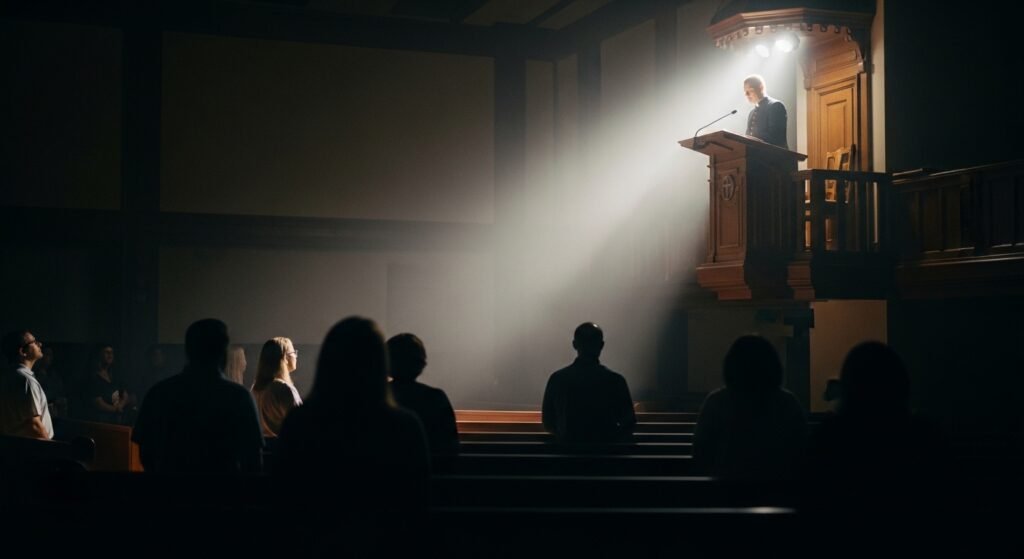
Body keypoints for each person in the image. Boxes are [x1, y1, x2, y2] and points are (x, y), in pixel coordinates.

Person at [274, 317, 429, 556]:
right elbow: (416, 499)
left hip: (312, 542)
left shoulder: (301, 422)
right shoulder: (404, 425)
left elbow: (284, 495)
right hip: (386, 543)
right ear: (379, 363)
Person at [131, 319, 263, 473]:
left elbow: (146, 452)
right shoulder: (239, 397)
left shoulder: (159, 393)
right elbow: (253, 460)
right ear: (223, 352)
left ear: (187, 351)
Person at [692, 335, 806, 479]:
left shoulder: (716, 402)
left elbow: (701, 455)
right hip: (778, 493)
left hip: (725, 492)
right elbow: (801, 454)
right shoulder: (787, 403)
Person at [541, 322, 636, 444]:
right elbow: (628, 422)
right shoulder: (615, 380)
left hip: (567, 452)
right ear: (601, 345)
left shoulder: (558, 379)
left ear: (575, 345)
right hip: (606, 453)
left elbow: (548, 422)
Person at [387, 333, 459, 460]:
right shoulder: (435, 398)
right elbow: (450, 446)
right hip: (432, 473)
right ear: (421, 363)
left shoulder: (375, 395)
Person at [0, 330, 53, 439]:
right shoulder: (25, 380)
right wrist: (52, 450)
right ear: (23, 352)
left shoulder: (8, 376)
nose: (40, 344)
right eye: (34, 342)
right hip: (35, 449)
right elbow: (34, 425)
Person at [251, 337, 302, 437]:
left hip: (264, 447)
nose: (295, 356)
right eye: (293, 353)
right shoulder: (284, 388)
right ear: (284, 358)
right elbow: (301, 422)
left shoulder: (255, 388)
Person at [80, 344, 135, 424]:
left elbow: (124, 393)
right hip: (101, 420)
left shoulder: (114, 374)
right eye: (107, 352)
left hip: (117, 418)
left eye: (112, 352)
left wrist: (120, 406)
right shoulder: (93, 377)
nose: (110, 355)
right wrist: (115, 409)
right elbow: (98, 403)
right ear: (99, 355)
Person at [743, 74, 788, 148]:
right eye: (745, 92)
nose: (746, 95)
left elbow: (775, 137)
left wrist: (753, 138)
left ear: (761, 87)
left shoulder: (775, 105)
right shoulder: (751, 113)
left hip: (774, 156)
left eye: (750, 91)